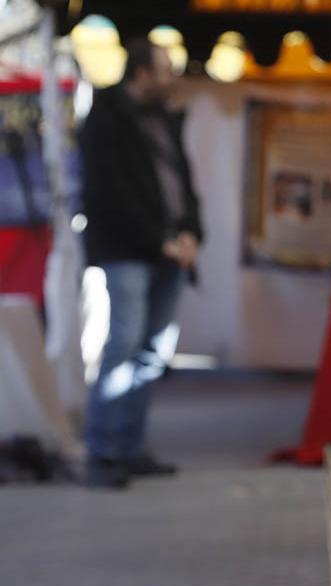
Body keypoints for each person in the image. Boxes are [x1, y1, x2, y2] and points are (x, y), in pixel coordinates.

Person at [79, 38, 202, 488]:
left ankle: (128, 447)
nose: (171, 77)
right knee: (124, 344)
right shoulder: (107, 117)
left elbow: (180, 183)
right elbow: (112, 194)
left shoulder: (162, 120)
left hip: (168, 250)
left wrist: (190, 232)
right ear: (141, 73)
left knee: (152, 352)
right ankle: (104, 450)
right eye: (164, 69)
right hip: (129, 250)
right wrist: (159, 241)